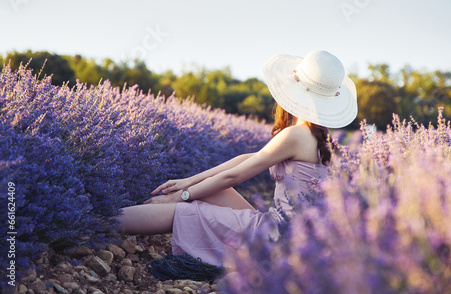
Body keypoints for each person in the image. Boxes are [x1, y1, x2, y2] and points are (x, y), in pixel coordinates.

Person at [117, 50, 358, 267]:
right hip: (296, 235)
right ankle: (116, 217)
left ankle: (102, 223)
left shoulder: (296, 134)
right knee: (210, 191)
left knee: (182, 211)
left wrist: (179, 197)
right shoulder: (320, 138)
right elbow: (246, 158)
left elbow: (235, 175)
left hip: (279, 238)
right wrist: (187, 181)